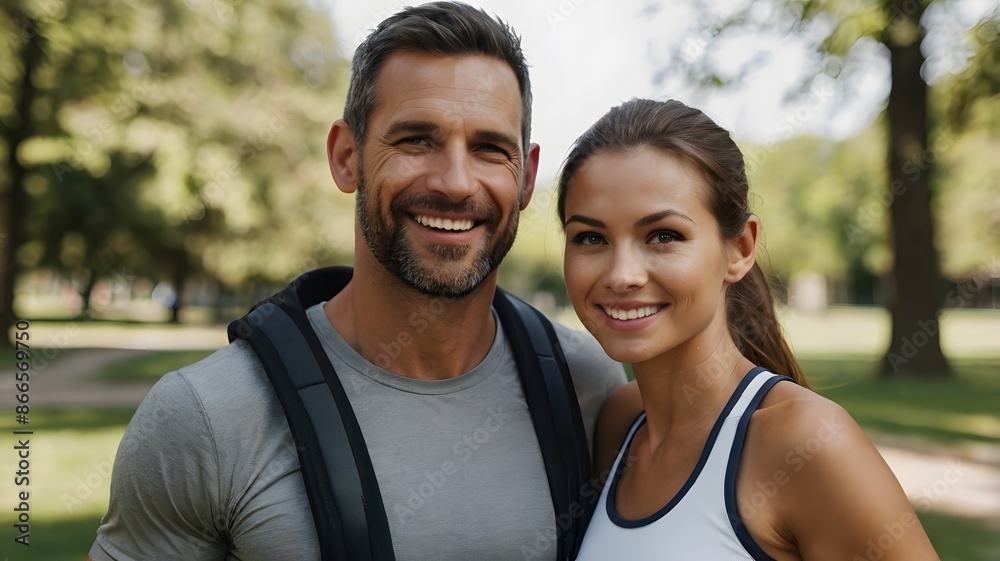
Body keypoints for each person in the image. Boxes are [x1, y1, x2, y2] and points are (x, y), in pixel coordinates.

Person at [86, 3, 626, 560]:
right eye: (416, 139)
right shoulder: (205, 416)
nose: (456, 182)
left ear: (528, 176)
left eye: (490, 149)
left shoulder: (587, 388)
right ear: (346, 157)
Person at [557, 99, 940, 560]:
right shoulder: (620, 423)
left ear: (739, 249)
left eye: (664, 235)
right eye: (590, 238)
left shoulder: (806, 440)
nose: (622, 275)